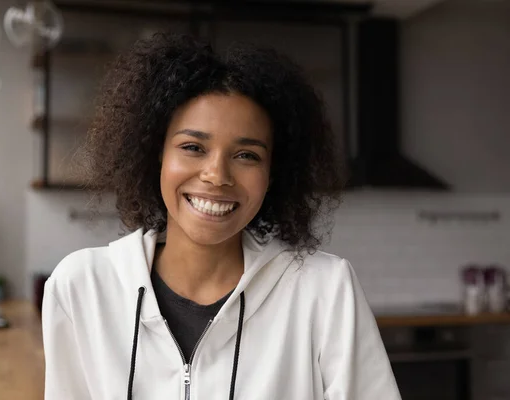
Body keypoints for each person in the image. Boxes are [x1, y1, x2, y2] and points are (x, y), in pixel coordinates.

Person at [41, 32, 401, 400]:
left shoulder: (325, 292)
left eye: (246, 155)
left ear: (272, 174)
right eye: (193, 147)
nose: (217, 175)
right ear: (156, 155)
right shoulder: (81, 288)